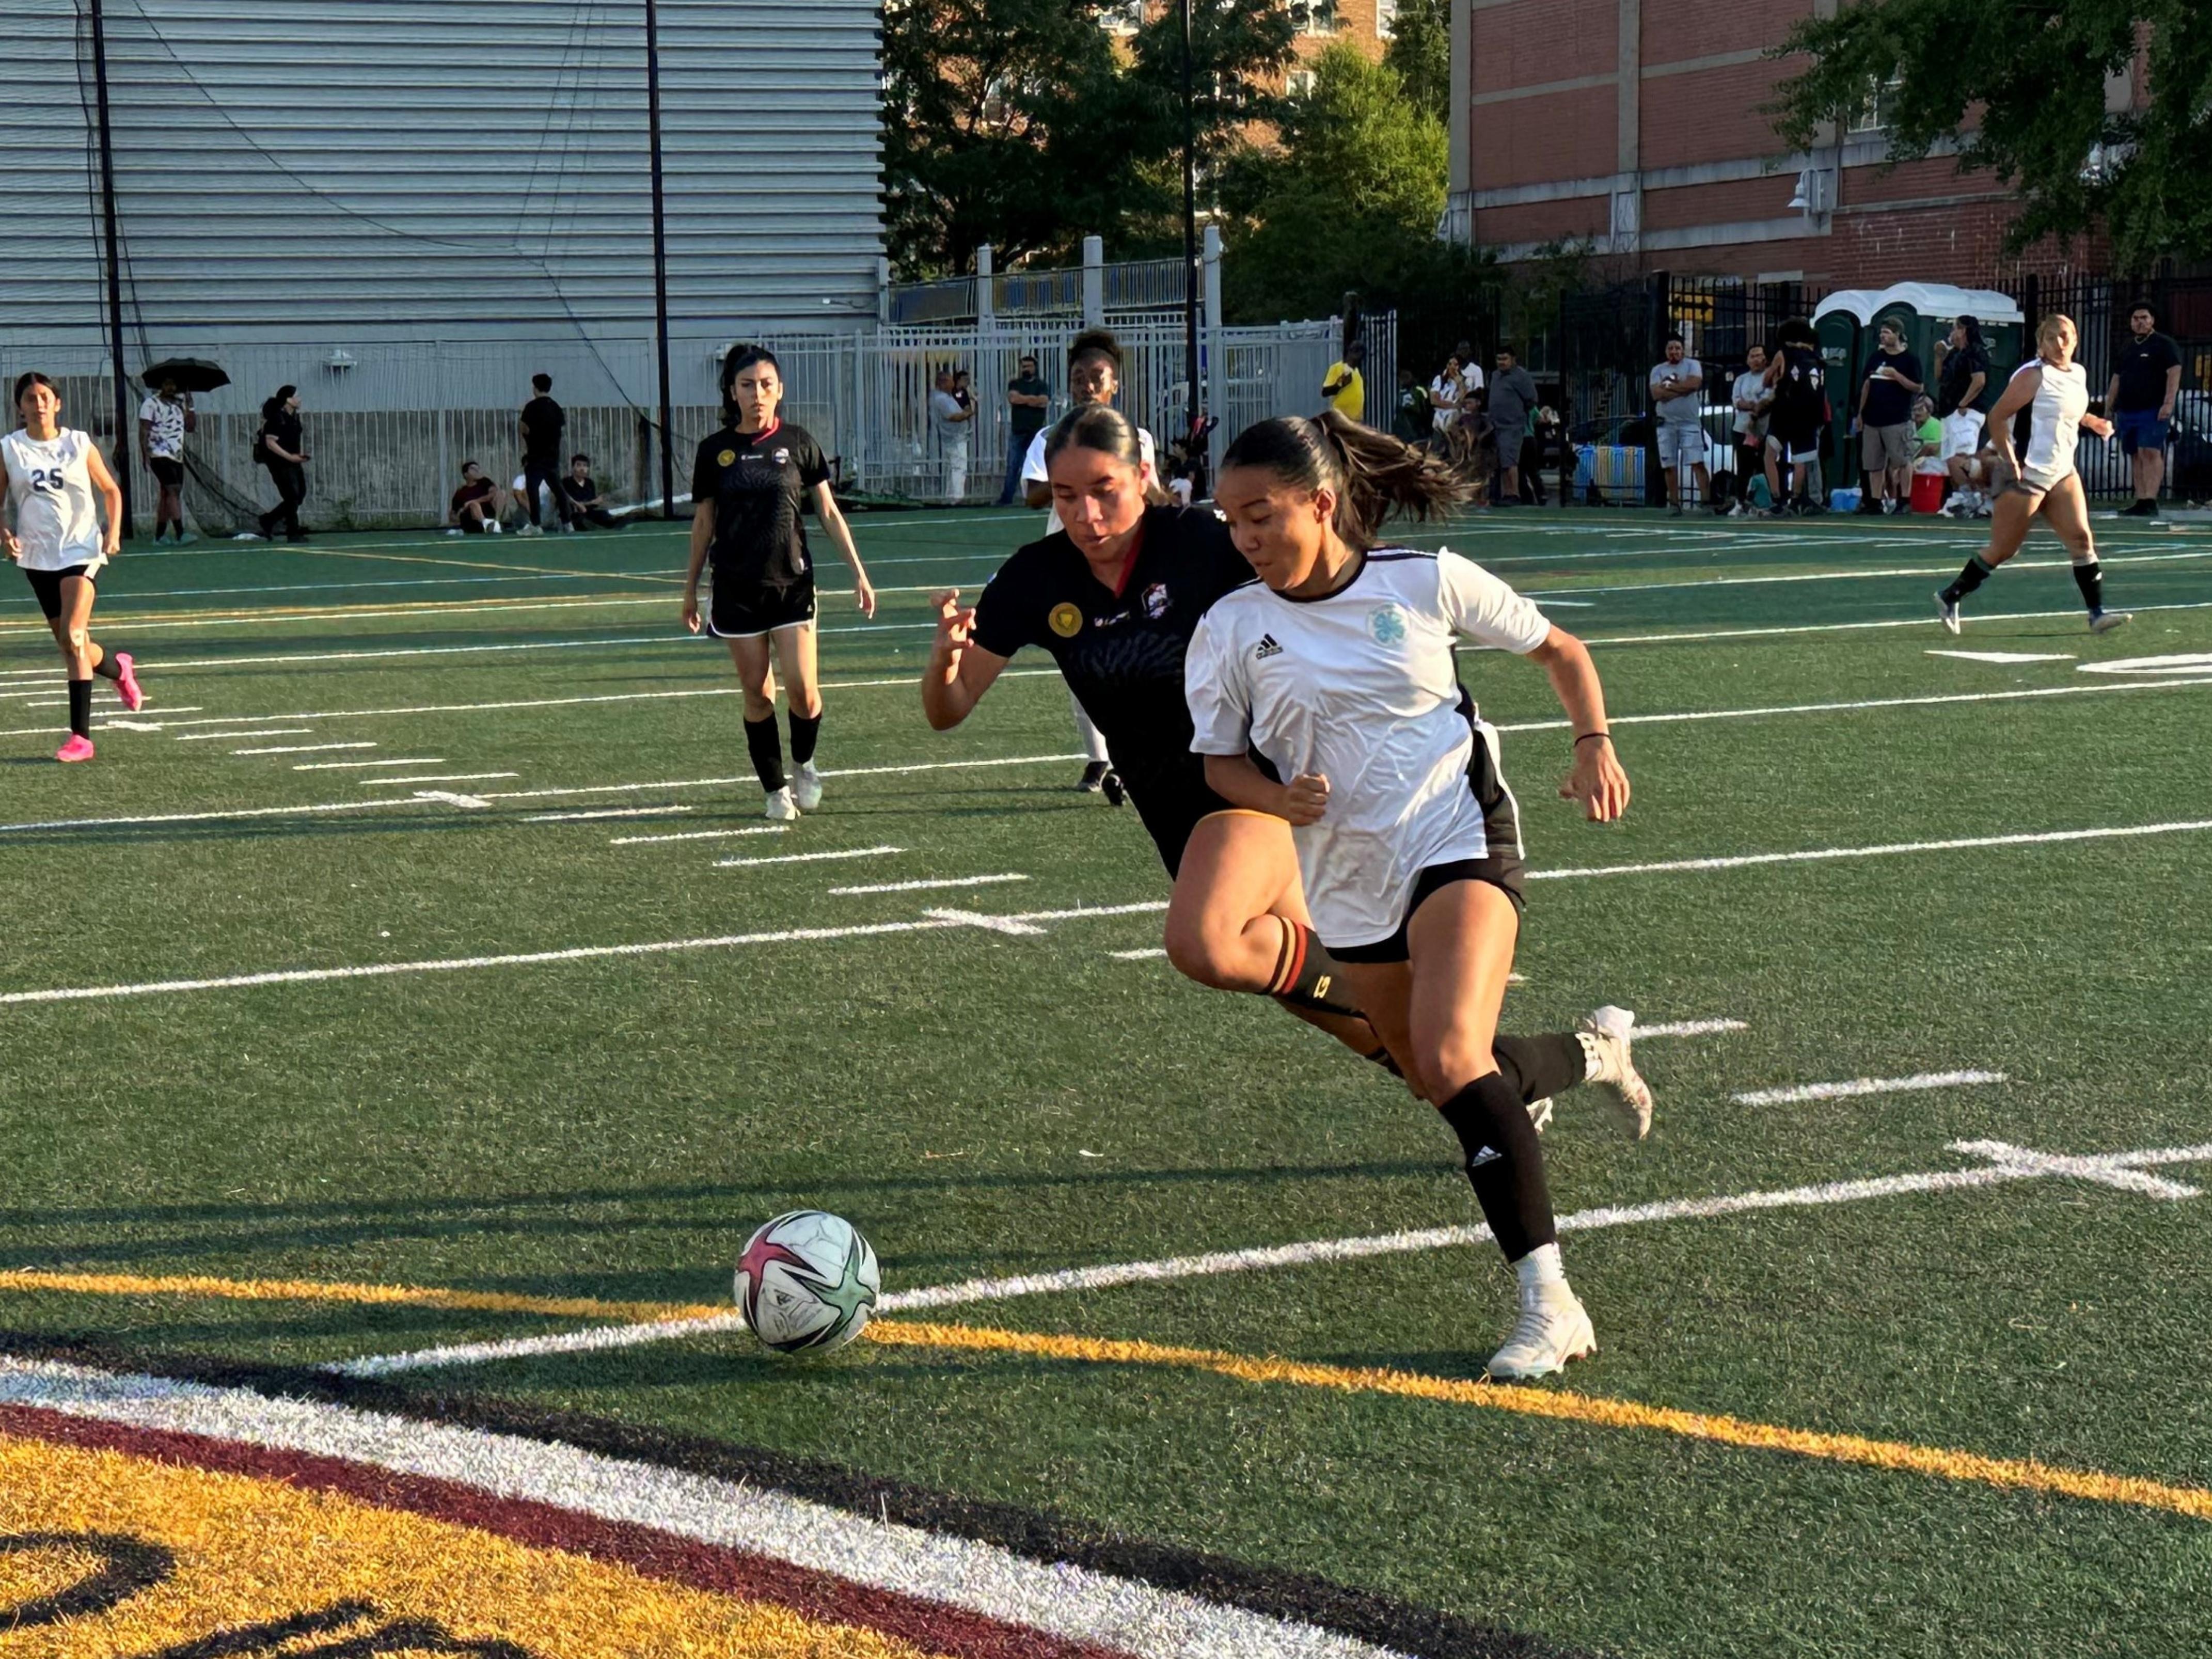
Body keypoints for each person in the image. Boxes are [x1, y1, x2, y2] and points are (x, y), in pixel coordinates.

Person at [922, 403, 1648, 1174]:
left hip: (1264, 794)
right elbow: (949, 709)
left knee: (1204, 942)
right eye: (1066, 496)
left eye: (1104, 490)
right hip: (1177, 819)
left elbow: (1332, 579)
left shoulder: (1205, 540)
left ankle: (1482, 1094)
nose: (1086, 514)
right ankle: (1581, 1057)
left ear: (1144, 476)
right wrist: (944, 659)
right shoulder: (1037, 577)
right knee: (1415, 1060)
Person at [1187, 411, 1640, 1380]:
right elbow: (1219, 762)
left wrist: (1592, 745)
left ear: (1321, 504)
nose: (1244, 537)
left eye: (1260, 515)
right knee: (1441, 1075)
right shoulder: (1229, 627)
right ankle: (1592, 1051)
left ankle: (1550, 1302)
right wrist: (1274, 798)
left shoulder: (1423, 581)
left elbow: (1561, 652)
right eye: (1230, 520)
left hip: (1456, 836)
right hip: (1345, 877)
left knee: (1447, 1054)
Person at [684, 344, 879, 820]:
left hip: (792, 585)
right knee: (757, 693)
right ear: (733, 392)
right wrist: (689, 590)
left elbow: (828, 511)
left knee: (805, 693)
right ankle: (775, 790)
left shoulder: (798, 441)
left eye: (766, 384)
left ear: (780, 390)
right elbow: (704, 523)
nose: (757, 393)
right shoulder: (713, 452)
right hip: (736, 589)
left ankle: (804, 763)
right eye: (747, 385)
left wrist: (859, 572)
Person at [1936, 314, 2131, 637]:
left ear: (2076, 338)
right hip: (2027, 474)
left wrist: (2092, 422)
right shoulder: (2032, 375)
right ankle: (1951, 595)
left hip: (2063, 472)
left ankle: (2096, 614)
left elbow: (2065, 409)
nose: (2060, 343)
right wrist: (2009, 459)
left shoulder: (2078, 373)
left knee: (2082, 540)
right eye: (2052, 337)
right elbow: (1997, 417)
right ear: (2042, 343)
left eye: (2066, 335)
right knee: (2003, 549)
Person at [1022, 328, 1155, 800]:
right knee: (1080, 662)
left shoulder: (1136, 438)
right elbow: (1032, 494)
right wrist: (1075, 474)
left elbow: (1152, 494)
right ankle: (1100, 758)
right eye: (1079, 377)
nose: (1088, 385)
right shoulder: (1050, 438)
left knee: (1134, 660)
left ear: (1115, 384)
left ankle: (1134, 754)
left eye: (1098, 376)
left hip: (1127, 566)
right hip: (1070, 566)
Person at [1, 373, 144, 762]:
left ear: (58, 403)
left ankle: (81, 738)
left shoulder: (78, 443)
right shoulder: (10, 448)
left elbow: (111, 490)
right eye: (30, 398)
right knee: (69, 642)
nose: (39, 404)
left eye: (45, 397)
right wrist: (5, 534)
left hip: (80, 549)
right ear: (20, 406)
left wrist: (113, 532)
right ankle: (119, 669)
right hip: (37, 555)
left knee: (75, 635)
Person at [2105, 302, 2182, 518]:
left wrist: (2168, 403)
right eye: (2136, 318)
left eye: (2144, 318)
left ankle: (2150, 499)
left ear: (2152, 320)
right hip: (2127, 410)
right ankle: (2141, 499)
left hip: (2153, 409)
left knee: (2150, 450)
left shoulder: (2164, 344)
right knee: (2135, 453)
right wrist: (2109, 407)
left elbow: (2174, 372)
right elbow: (2116, 378)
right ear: (2131, 322)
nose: (2140, 322)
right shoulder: (2127, 347)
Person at [1855, 321, 1923, 514]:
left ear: (1897, 334)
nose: (1883, 337)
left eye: (1887, 333)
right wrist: (1861, 413)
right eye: (1882, 333)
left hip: (1897, 418)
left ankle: (1905, 500)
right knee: (1874, 463)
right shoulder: (1876, 357)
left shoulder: (1910, 360)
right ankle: (1875, 501)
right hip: (1873, 418)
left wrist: (1896, 376)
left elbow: (1918, 387)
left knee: (1902, 460)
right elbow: (1867, 385)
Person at [1764, 320, 1826, 515]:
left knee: (1770, 454)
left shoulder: (1783, 354)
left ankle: (1777, 499)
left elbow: (1767, 380)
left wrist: (1774, 378)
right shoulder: (1817, 359)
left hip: (1785, 411)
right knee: (1801, 459)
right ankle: (1796, 499)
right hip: (1809, 414)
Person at [1934, 315, 1991, 515]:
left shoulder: (1975, 352)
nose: (1952, 333)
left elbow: (1979, 380)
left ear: (1964, 330)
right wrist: (1939, 357)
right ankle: (1966, 496)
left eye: (1955, 328)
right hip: (1950, 412)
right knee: (1950, 457)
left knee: (1961, 457)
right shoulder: (1954, 354)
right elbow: (1940, 377)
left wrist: (1964, 403)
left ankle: (1976, 497)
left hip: (1966, 412)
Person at [1649, 335, 1708, 515]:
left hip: (1689, 423)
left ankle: (1706, 502)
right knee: (1669, 464)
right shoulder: (1658, 370)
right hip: (1666, 424)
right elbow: (1656, 394)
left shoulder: (1693, 365)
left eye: (1677, 348)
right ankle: (1674, 503)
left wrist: (1669, 388)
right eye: (1670, 348)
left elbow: (1694, 384)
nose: (1674, 352)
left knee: (1697, 462)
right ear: (1666, 351)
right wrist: (1682, 389)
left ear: (1683, 350)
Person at [137, 376, 195, 545]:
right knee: (173, 490)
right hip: (159, 453)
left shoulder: (179, 405)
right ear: (161, 386)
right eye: (168, 384)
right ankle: (180, 533)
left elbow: (190, 427)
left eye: (174, 384)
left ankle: (159, 535)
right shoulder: (150, 404)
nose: (172, 388)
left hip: (176, 454)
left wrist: (190, 407)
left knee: (167, 493)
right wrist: (145, 454)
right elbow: (144, 430)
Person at [254, 386, 309, 541]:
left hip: (293, 461)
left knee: (300, 495)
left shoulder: (294, 417)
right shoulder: (277, 418)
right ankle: (293, 532)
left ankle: (269, 520)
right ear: (288, 400)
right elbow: (270, 443)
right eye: (297, 396)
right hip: (279, 463)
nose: (300, 399)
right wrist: (290, 457)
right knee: (291, 496)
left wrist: (298, 456)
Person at [518, 373, 570, 536]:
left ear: (535, 388)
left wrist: (529, 439)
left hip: (535, 456)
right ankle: (567, 522)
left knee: (533, 490)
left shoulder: (531, 407)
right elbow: (560, 429)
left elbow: (524, 428)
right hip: (553, 456)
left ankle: (536, 524)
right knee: (558, 489)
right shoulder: (556, 407)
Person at [1487, 348, 1539, 505]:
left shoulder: (1521, 376)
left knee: (1510, 461)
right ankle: (1506, 493)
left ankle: (1514, 493)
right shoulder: (1495, 375)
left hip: (1512, 425)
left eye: (1505, 359)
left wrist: (1517, 414)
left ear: (1513, 360)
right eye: (1499, 359)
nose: (1501, 362)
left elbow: (1532, 399)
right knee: (1502, 461)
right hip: (1496, 425)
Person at [999, 352, 1051, 505]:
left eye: (1029, 366)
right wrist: (1033, 399)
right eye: (1024, 366)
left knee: (1036, 466)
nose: (1026, 369)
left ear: (1035, 368)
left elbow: (1043, 401)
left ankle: (1036, 498)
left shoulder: (1041, 385)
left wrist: (1024, 399)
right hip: (1018, 430)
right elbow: (1013, 398)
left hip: (1036, 432)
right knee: (1013, 466)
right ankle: (1006, 498)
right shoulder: (1015, 384)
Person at [1728, 345, 1774, 515]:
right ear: (1747, 360)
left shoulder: (1770, 377)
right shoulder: (1741, 379)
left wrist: (1758, 409)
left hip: (1765, 429)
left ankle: (1768, 503)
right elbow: (1737, 401)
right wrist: (1752, 406)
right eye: (1752, 356)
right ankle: (1740, 502)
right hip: (1742, 429)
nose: (1756, 360)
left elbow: (1770, 399)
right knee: (1743, 468)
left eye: (1759, 356)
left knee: (1765, 466)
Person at [929, 366, 973, 505]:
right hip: (955, 438)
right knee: (959, 467)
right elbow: (954, 417)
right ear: (943, 383)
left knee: (952, 467)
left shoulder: (943, 397)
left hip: (952, 437)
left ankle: (950, 496)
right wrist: (967, 414)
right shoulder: (941, 399)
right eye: (950, 381)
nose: (953, 384)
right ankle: (957, 496)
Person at [560, 454, 622, 529]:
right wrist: (591, 503)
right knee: (580, 519)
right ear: (573, 467)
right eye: (579, 465)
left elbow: (593, 502)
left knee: (606, 516)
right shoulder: (566, 482)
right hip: (576, 513)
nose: (582, 469)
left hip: (590, 512)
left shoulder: (590, 483)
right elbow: (569, 501)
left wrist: (598, 501)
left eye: (585, 466)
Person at [447, 461, 507, 534]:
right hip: (471, 520)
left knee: (502, 493)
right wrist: (460, 515)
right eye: (473, 469)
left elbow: (494, 493)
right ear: (466, 474)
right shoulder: (461, 492)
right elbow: (453, 514)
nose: (477, 471)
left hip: (489, 513)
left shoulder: (485, 482)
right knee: (474, 505)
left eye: (478, 468)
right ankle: (486, 525)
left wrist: (473, 501)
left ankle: (496, 523)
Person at [1322, 342, 1366, 422]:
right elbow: (1325, 392)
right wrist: (1341, 384)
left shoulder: (1357, 372)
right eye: (1359, 355)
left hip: (1355, 420)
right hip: (1341, 419)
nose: (1360, 359)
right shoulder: (1337, 368)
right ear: (1351, 353)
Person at [1391, 368, 1431, 445]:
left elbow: (1426, 400)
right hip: (1402, 419)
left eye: (1407, 377)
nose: (1404, 379)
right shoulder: (1395, 390)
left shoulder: (1419, 389)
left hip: (1416, 417)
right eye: (1402, 377)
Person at [1429, 356, 1464, 441]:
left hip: (1455, 419)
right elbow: (1434, 401)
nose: (1452, 367)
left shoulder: (1462, 381)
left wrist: (1460, 384)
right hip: (1440, 417)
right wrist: (1453, 405)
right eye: (1450, 364)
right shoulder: (1439, 379)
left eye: (1456, 365)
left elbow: (1463, 400)